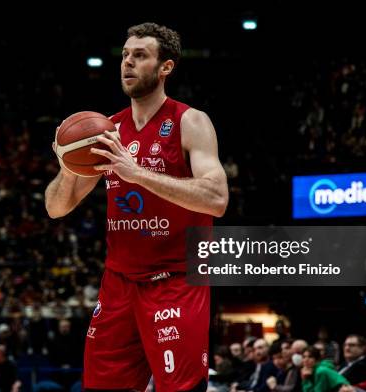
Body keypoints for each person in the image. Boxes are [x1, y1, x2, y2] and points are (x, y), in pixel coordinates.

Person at [45, 22, 229, 391]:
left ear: (166, 68)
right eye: (125, 55)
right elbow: (56, 208)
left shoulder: (190, 121)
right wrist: (67, 166)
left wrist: (136, 173)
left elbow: (217, 199)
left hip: (175, 280)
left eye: (140, 56)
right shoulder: (107, 131)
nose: (127, 63)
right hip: (119, 283)